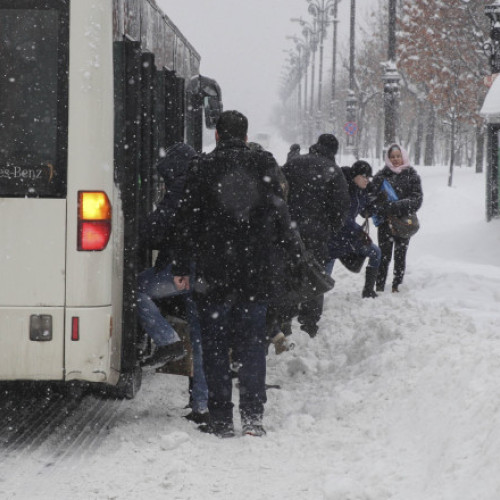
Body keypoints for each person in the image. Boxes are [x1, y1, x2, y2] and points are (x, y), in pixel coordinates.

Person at [171, 110, 291, 438]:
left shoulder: (202, 168)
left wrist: (181, 267)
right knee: (252, 345)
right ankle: (253, 417)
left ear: (217, 135)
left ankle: (221, 418)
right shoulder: (264, 166)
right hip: (254, 273)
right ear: (247, 136)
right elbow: (281, 219)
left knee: (214, 345)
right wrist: (283, 259)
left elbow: (186, 222)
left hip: (213, 274)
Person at [137, 143, 209, 424]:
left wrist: (138, 229)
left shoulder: (180, 189)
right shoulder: (206, 185)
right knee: (201, 338)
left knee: (135, 290)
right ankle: (201, 405)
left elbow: (156, 228)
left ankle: (168, 341)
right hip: (207, 275)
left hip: (183, 274)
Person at [282, 133, 350, 337]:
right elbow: (341, 206)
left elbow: (278, 190)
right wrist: (330, 227)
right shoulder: (333, 171)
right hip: (317, 233)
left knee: (288, 273)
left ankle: (285, 319)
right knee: (315, 274)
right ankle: (309, 323)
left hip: (290, 230)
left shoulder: (295, 163)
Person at [370, 143, 423, 293]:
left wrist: (395, 206)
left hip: (403, 223)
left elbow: (417, 200)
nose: (395, 159)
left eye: (398, 156)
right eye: (392, 157)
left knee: (400, 255)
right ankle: (379, 285)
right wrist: (380, 206)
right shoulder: (380, 176)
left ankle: (397, 285)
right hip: (386, 223)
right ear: (387, 158)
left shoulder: (411, 175)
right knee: (383, 256)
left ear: (403, 156)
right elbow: (371, 197)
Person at [326, 160, 382, 298]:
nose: (367, 180)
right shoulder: (343, 191)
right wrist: (359, 232)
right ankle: (307, 305)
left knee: (376, 252)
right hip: (332, 240)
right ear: (355, 176)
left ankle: (368, 291)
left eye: (368, 177)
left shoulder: (360, 192)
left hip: (348, 239)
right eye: (364, 177)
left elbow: (364, 212)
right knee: (322, 279)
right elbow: (343, 219)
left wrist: (376, 203)